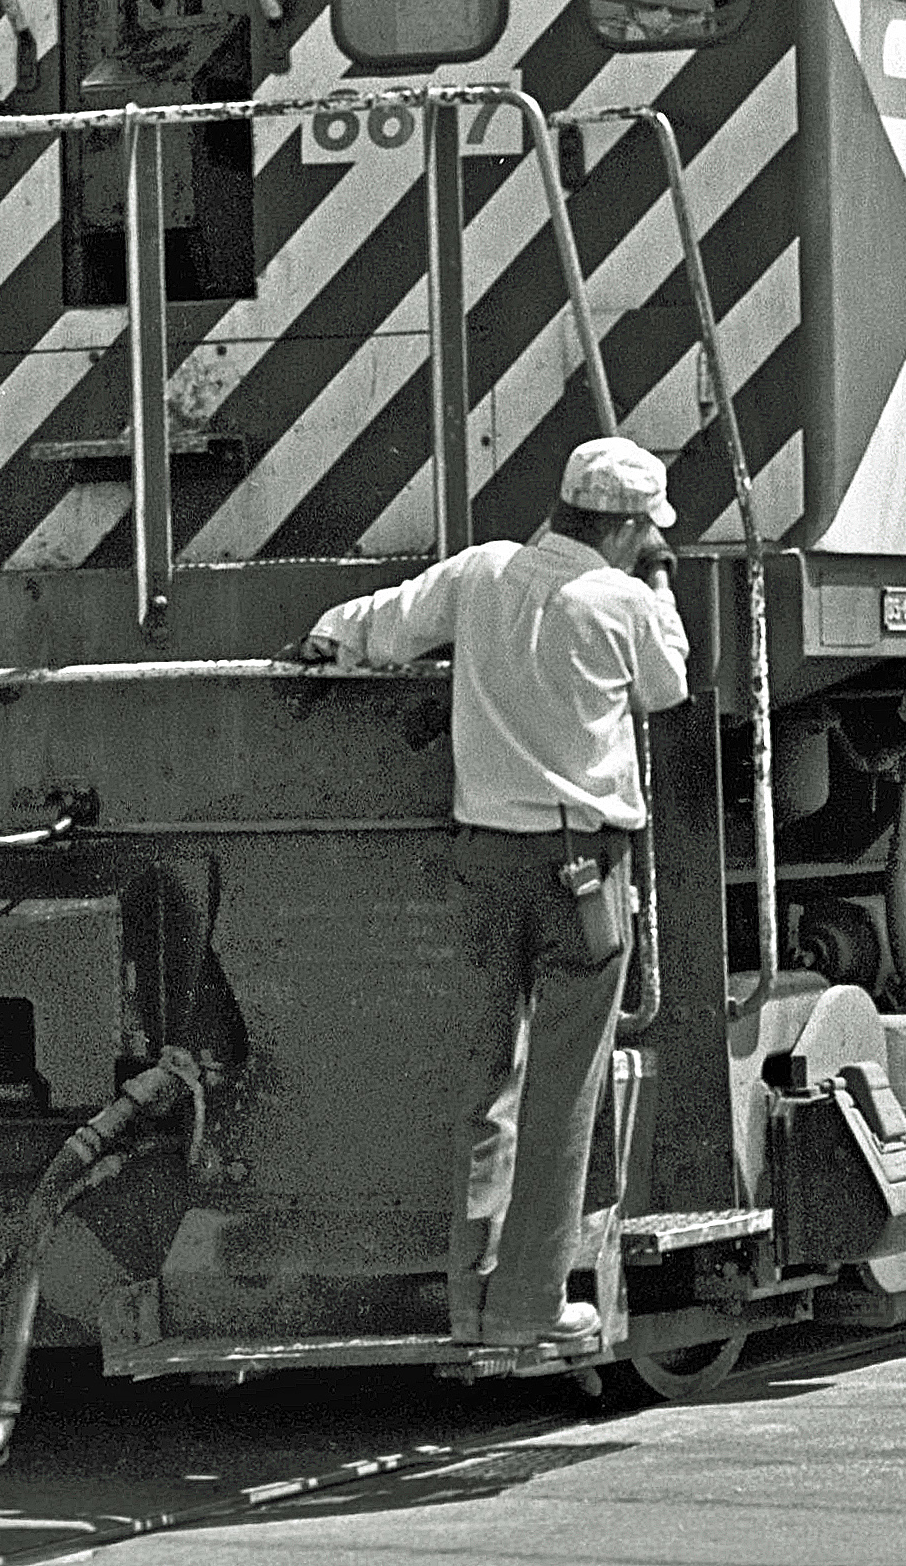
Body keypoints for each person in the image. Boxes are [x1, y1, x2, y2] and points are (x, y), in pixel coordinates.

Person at [296, 437, 691, 1351]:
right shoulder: (624, 600)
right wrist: (662, 582)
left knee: (485, 1083)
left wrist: (329, 635)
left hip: (483, 863)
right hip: (580, 872)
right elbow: (667, 685)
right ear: (630, 528)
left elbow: (383, 623)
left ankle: (469, 1296)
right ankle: (530, 1308)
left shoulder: (481, 572)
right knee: (563, 1089)